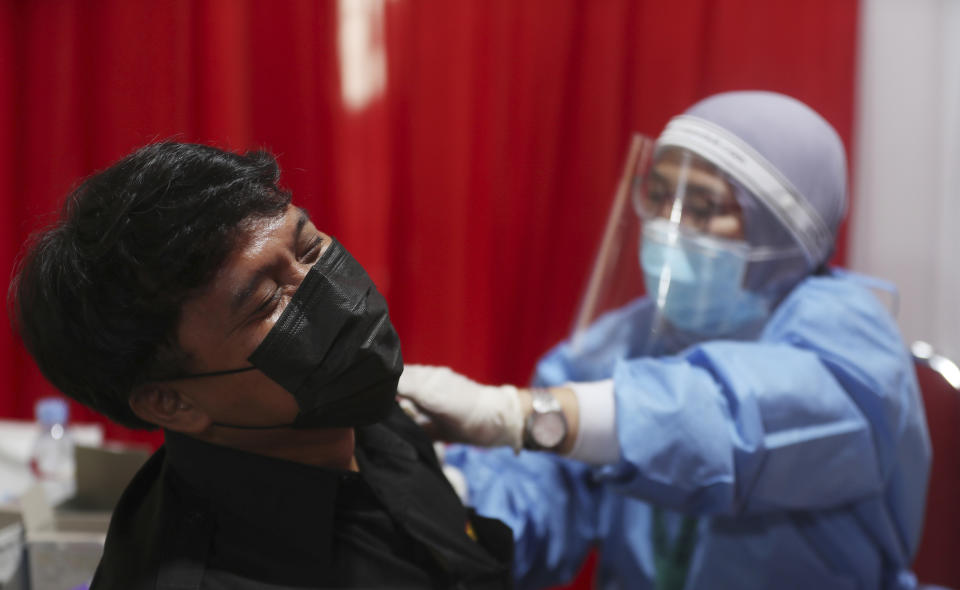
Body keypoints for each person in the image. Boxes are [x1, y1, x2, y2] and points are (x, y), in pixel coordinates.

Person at [398, 91, 932, 590]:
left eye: (702, 207)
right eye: (658, 196)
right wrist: (451, 500)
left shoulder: (852, 340)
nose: (666, 226)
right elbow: (548, 490)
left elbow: (727, 422)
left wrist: (521, 416)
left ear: (783, 232)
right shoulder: (627, 341)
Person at [9, 142, 514, 589]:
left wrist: (534, 422)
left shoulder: (350, 410)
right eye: (267, 300)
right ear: (172, 400)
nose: (333, 295)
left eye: (310, 246)